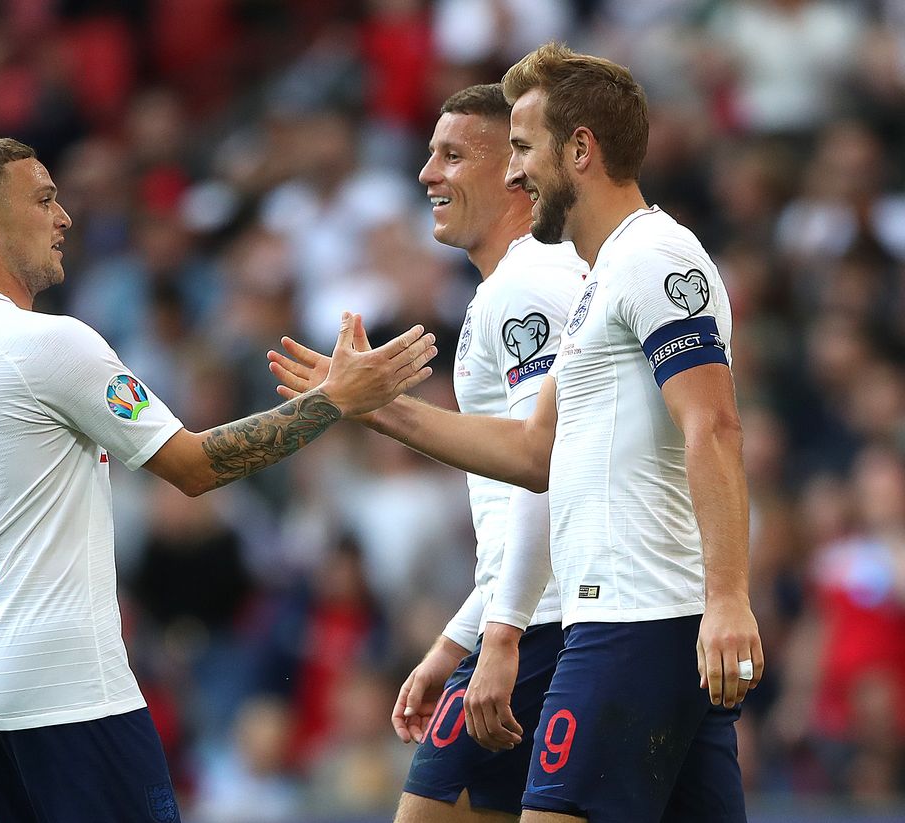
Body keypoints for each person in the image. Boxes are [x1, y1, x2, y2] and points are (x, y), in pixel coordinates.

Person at [0, 136, 436, 823]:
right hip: (71, 689)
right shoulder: (52, 344)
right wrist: (332, 400)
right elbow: (193, 466)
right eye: (44, 198)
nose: (65, 216)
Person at [274, 44, 764, 823]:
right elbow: (535, 455)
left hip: (629, 616)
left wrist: (729, 596)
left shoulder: (652, 257)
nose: (516, 172)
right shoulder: (598, 277)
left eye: (525, 150)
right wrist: (367, 406)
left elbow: (715, 423)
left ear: (580, 150)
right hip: (616, 617)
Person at [269, 84, 584, 822]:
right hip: (546, 616)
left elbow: (544, 469)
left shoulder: (527, 289)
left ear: (516, 172)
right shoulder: (532, 281)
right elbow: (525, 500)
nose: (425, 174)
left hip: (550, 625)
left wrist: (497, 635)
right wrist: (456, 640)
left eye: (450, 155)